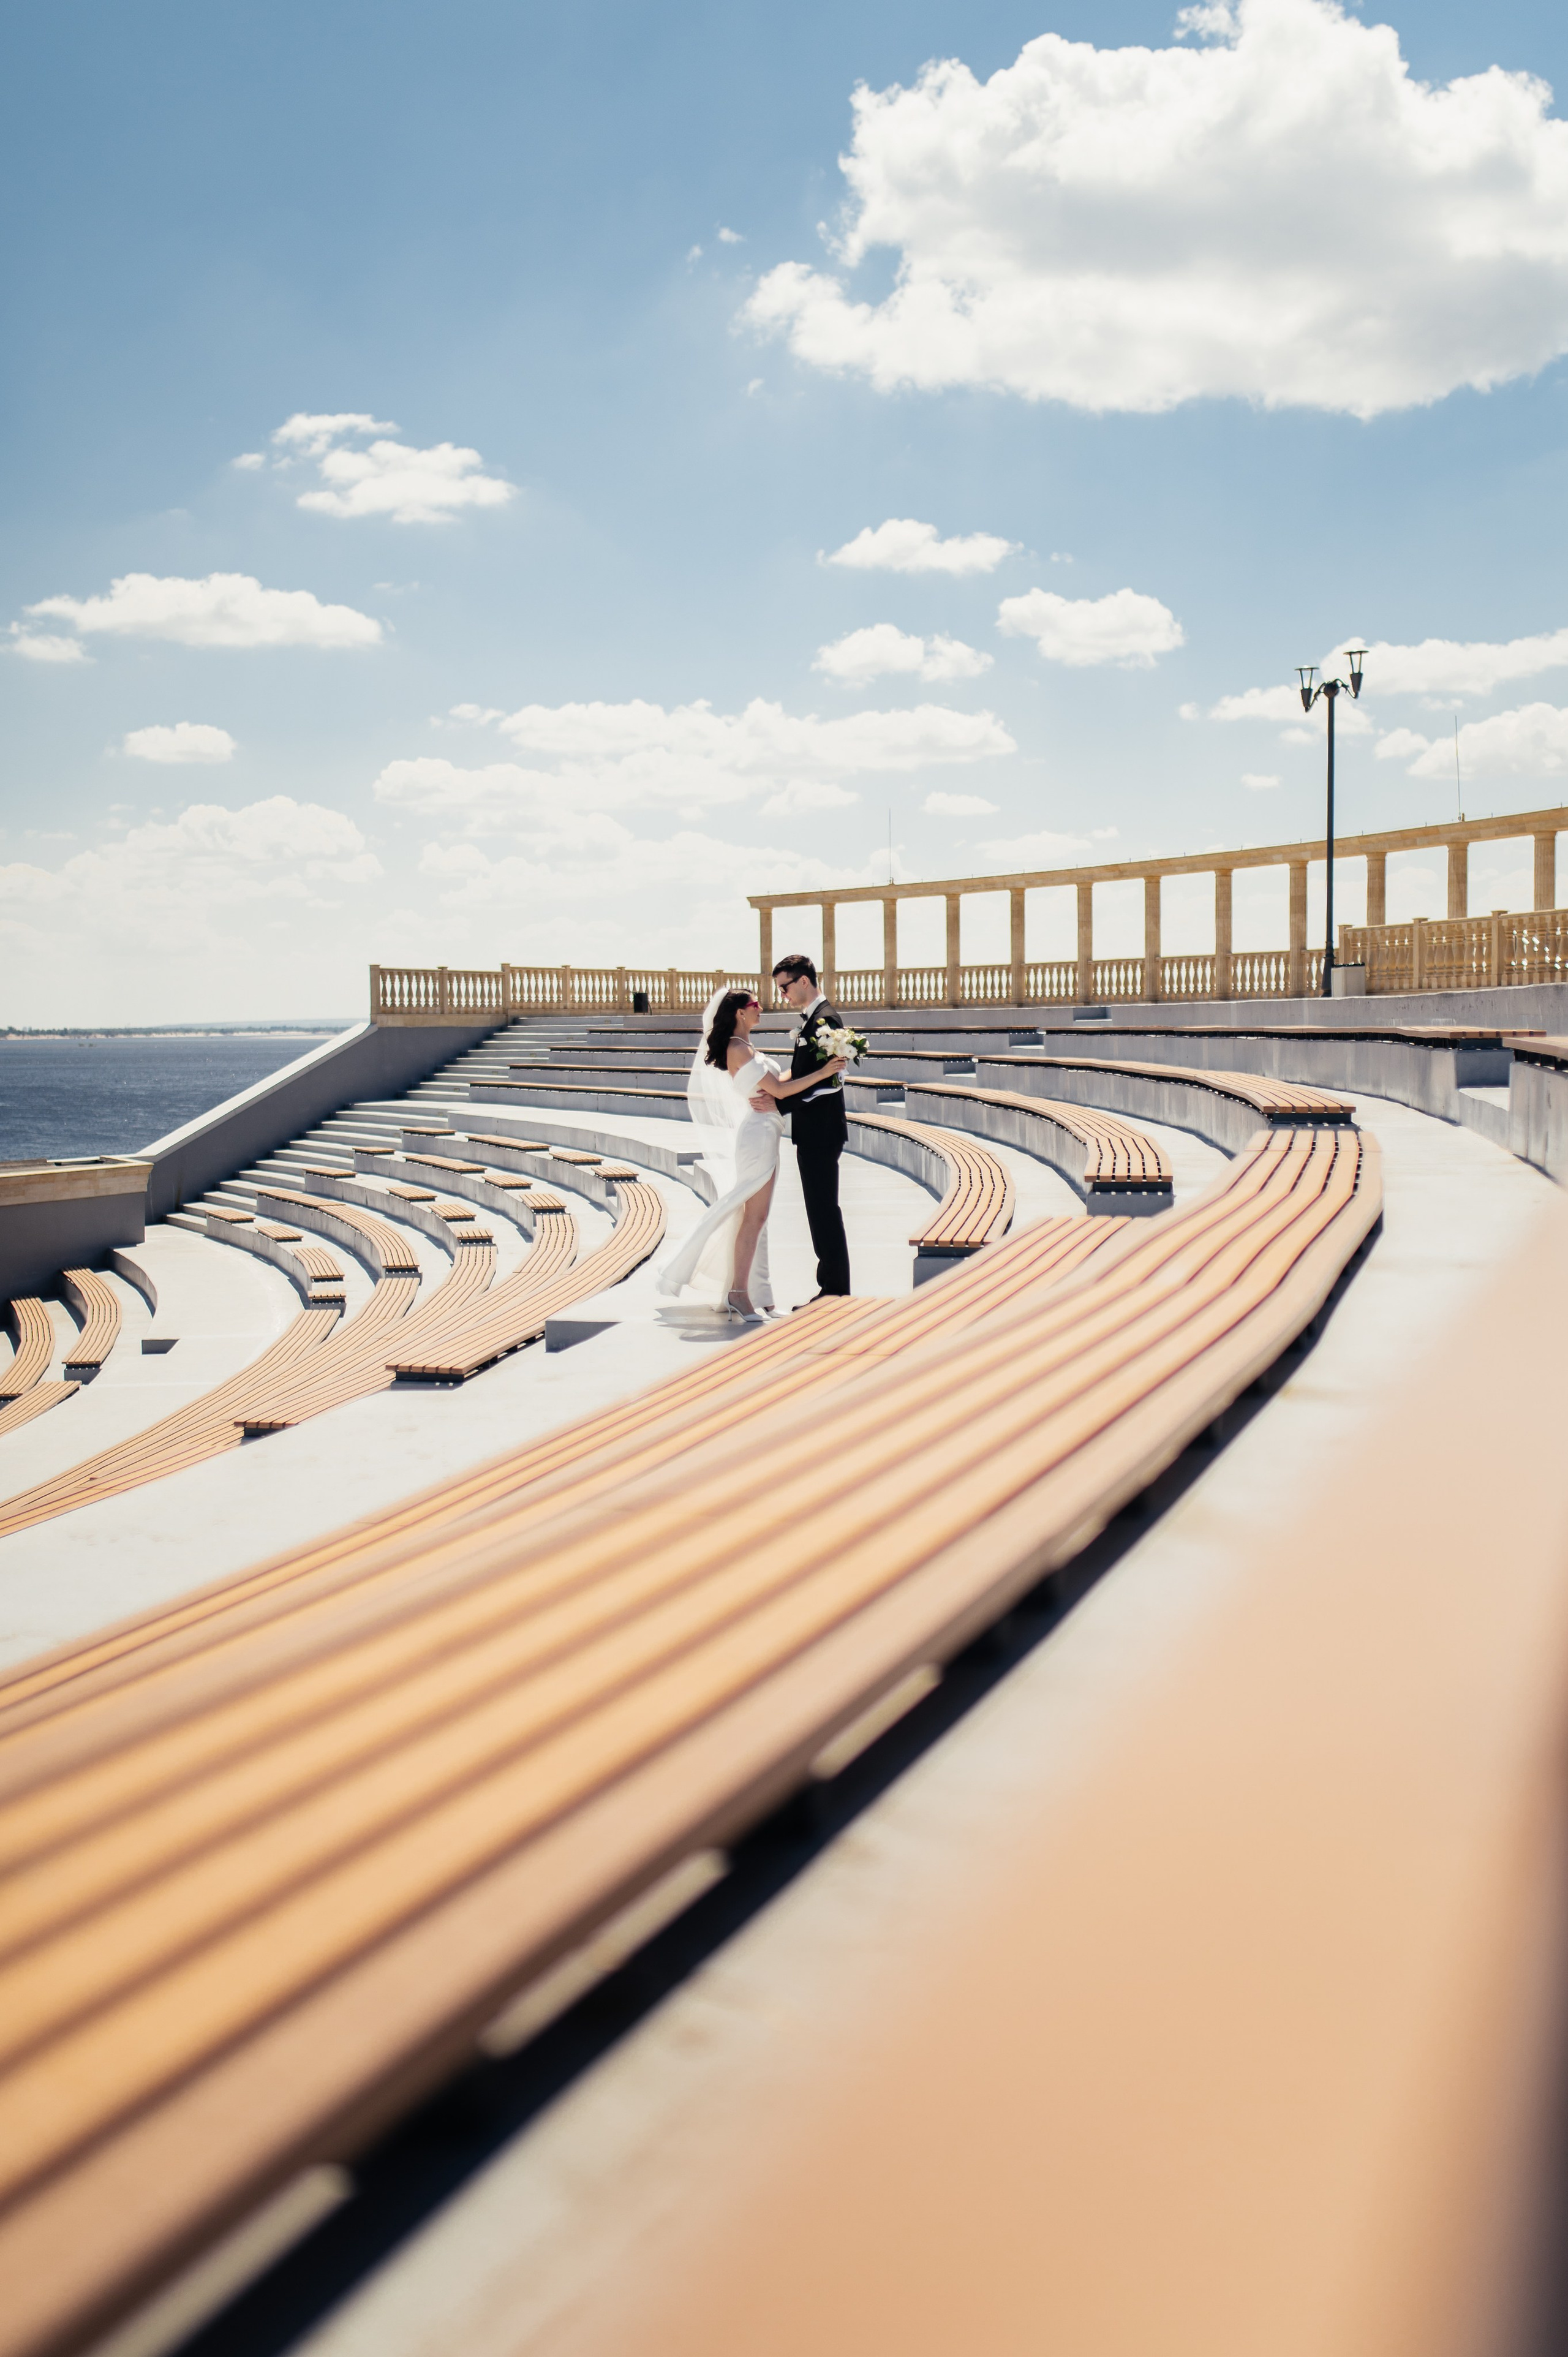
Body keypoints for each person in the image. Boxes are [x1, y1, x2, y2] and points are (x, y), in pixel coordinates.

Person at [656, 986, 845, 1319]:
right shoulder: (736, 1048)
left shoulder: (745, 1045)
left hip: (767, 1131)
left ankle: (759, 1294)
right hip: (758, 1135)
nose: (762, 1008)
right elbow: (780, 1089)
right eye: (755, 1005)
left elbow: (779, 1080)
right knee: (752, 1218)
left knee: (758, 1218)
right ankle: (739, 1295)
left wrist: (810, 1073)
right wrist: (823, 1072)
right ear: (741, 1013)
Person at [769, 952, 851, 1302]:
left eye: (785, 987)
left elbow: (830, 1081)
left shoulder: (825, 1021)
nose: (783, 995)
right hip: (817, 1130)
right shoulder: (813, 1019)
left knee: (823, 1211)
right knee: (820, 1210)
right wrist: (774, 1087)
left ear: (804, 981)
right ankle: (831, 1286)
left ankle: (833, 1289)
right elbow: (806, 1075)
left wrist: (778, 1102)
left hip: (821, 1130)